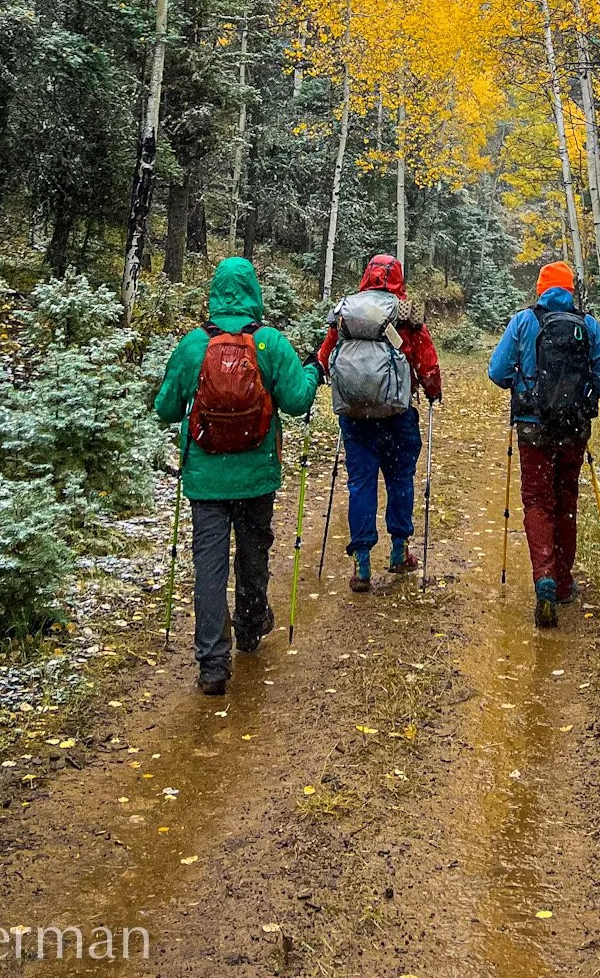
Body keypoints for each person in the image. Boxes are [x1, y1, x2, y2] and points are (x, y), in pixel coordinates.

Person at [154, 255, 320, 695]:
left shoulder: (193, 345)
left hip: (205, 480)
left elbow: (166, 408)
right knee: (252, 553)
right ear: (253, 293)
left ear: (214, 291)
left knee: (208, 566)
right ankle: (249, 627)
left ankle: (212, 663)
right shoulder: (269, 343)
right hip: (255, 476)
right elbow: (299, 400)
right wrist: (313, 369)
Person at [488, 260, 600, 628]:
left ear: (540, 290)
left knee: (537, 500)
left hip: (533, 428)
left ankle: (543, 575)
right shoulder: (587, 325)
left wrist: (522, 383)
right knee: (566, 500)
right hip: (574, 429)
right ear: (571, 290)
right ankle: (562, 582)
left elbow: (497, 372)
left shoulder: (524, 322)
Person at [318, 253, 442, 593]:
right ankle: (399, 551)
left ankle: (361, 563)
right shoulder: (405, 314)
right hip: (396, 416)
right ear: (397, 278)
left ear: (366, 277)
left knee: (361, 484)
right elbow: (426, 362)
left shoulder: (346, 312)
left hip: (355, 418)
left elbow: (325, 357)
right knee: (400, 479)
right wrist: (432, 390)